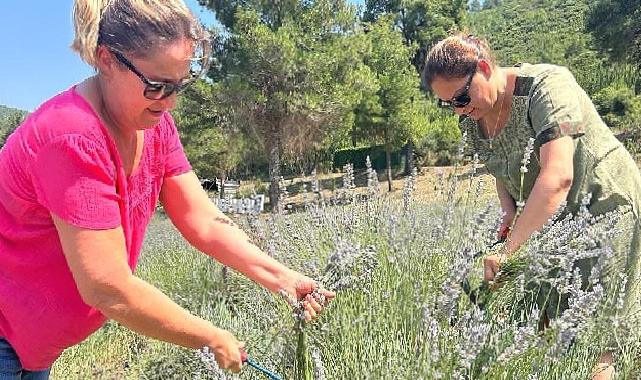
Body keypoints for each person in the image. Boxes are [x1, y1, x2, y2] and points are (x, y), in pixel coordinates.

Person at [0, 0, 334, 378]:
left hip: (31, 346)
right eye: (157, 86)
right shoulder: (71, 138)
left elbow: (203, 220)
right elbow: (107, 288)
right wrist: (209, 338)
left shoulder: (153, 124)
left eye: (180, 83)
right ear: (107, 59)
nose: (170, 101)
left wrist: (283, 279)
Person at [422, 33, 641, 380]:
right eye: (448, 104)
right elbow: (501, 164)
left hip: (604, 204)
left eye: (462, 97)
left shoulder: (548, 86)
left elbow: (558, 176)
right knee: (548, 326)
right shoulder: (473, 115)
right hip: (548, 219)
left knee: (597, 336)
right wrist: (509, 210)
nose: (459, 109)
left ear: (484, 67)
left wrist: (509, 252)